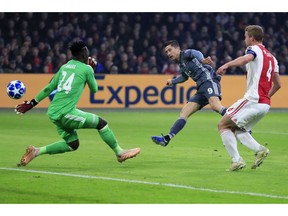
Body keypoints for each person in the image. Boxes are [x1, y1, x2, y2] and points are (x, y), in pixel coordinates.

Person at [15, 40, 140, 167]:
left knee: (72, 144)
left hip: (53, 112)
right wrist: (91, 69)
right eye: (86, 51)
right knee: (101, 124)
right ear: (83, 53)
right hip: (65, 113)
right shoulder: (87, 69)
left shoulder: (65, 67)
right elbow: (95, 89)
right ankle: (119, 153)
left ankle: (35, 151)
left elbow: (49, 87)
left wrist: (31, 103)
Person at [216, 25, 281, 171]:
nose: (244, 39)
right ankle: (260, 150)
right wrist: (264, 98)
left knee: (223, 125)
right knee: (239, 129)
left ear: (252, 38)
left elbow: (246, 59)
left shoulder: (254, 49)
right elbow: (278, 84)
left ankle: (237, 160)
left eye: (245, 37)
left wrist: (226, 64)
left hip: (253, 99)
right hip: (264, 104)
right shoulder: (273, 58)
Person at [151, 40, 227, 146]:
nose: (168, 54)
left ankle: (242, 124)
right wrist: (173, 82)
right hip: (200, 87)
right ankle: (167, 138)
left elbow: (196, 53)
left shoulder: (186, 54)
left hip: (208, 80)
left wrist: (202, 60)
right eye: (166, 52)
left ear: (177, 49)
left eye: (170, 50)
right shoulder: (181, 64)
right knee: (184, 112)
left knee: (216, 106)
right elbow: (184, 77)